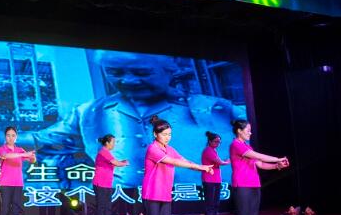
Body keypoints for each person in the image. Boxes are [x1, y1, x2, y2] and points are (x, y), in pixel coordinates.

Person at [13, 51, 245, 188]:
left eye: (142, 73)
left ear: (171, 67)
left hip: (193, 197)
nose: (129, 81)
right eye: (115, 73)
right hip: (118, 203)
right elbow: (41, 142)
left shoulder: (214, 109)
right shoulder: (89, 112)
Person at [142, 115, 214, 215]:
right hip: (152, 194)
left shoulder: (170, 149)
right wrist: (200, 167)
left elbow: (184, 161)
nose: (167, 137)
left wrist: (201, 167)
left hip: (165, 194)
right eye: (164, 134)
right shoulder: (153, 149)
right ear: (155, 134)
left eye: (169, 134)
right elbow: (174, 162)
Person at [230, 119, 290, 215]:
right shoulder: (236, 145)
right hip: (242, 185)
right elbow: (258, 156)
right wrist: (277, 159)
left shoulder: (247, 146)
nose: (250, 133)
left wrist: (277, 166)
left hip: (254, 184)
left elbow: (260, 164)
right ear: (239, 131)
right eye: (248, 130)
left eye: (250, 130)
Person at [0, 126, 36, 215]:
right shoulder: (1, 149)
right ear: (5, 137)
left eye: (13, 135)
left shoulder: (20, 150)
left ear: (16, 137)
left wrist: (32, 156)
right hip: (5, 184)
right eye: (8, 135)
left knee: (16, 211)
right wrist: (24, 154)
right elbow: (6, 156)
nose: (10, 137)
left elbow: (32, 161)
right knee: (5, 211)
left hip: (18, 183)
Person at [92, 134, 129, 215]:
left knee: (107, 207)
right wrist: (124, 163)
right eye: (113, 142)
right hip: (100, 184)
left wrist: (121, 162)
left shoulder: (107, 153)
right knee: (102, 207)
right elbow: (115, 163)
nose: (114, 144)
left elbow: (113, 164)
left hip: (107, 184)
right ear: (107, 143)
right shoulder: (103, 152)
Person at [201, 131, 230, 215]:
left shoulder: (213, 150)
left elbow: (219, 162)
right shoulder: (208, 150)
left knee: (216, 203)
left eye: (219, 142)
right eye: (216, 141)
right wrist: (228, 161)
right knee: (210, 204)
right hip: (209, 180)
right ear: (210, 141)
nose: (218, 144)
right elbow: (220, 162)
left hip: (216, 180)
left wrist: (225, 161)